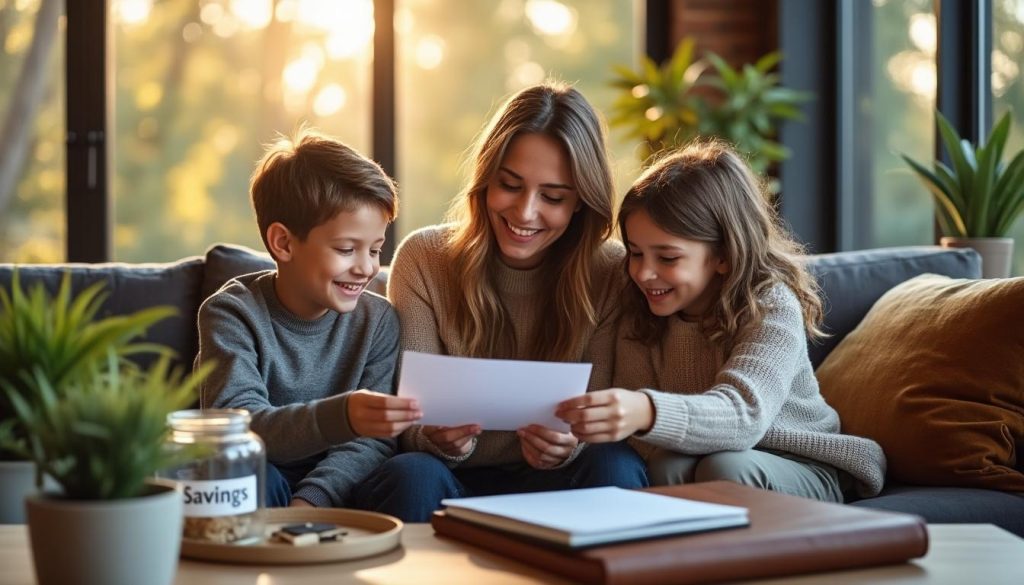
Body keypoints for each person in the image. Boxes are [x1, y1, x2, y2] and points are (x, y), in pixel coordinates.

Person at [352, 83, 648, 521]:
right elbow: (409, 421)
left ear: (580, 203)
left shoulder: (610, 271)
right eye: (510, 185)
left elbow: (599, 412)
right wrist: (435, 438)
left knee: (614, 464)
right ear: (486, 179)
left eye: (553, 197)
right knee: (412, 473)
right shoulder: (424, 258)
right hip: (449, 479)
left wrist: (570, 445)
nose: (525, 213)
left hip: (555, 481)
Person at [556, 140, 886, 502]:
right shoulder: (637, 309)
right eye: (635, 253)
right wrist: (568, 439)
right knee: (667, 464)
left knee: (725, 468)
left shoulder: (771, 306)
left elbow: (745, 415)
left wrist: (646, 410)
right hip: (705, 459)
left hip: (801, 463)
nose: (644, 273)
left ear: (724, 256)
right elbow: (615, 415)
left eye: (667, 258)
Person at [197, 129, 422, 508]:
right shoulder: (231, 313)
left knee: (413, 474)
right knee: (253, 474)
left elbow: (371, 443)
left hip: (342, 485)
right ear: (283, 243)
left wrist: (312, 500)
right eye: (346, 249)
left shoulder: (379, 320)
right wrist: (341, 416)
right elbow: (238, 430)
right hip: (261, 477)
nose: (366, 268)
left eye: (375, 250)